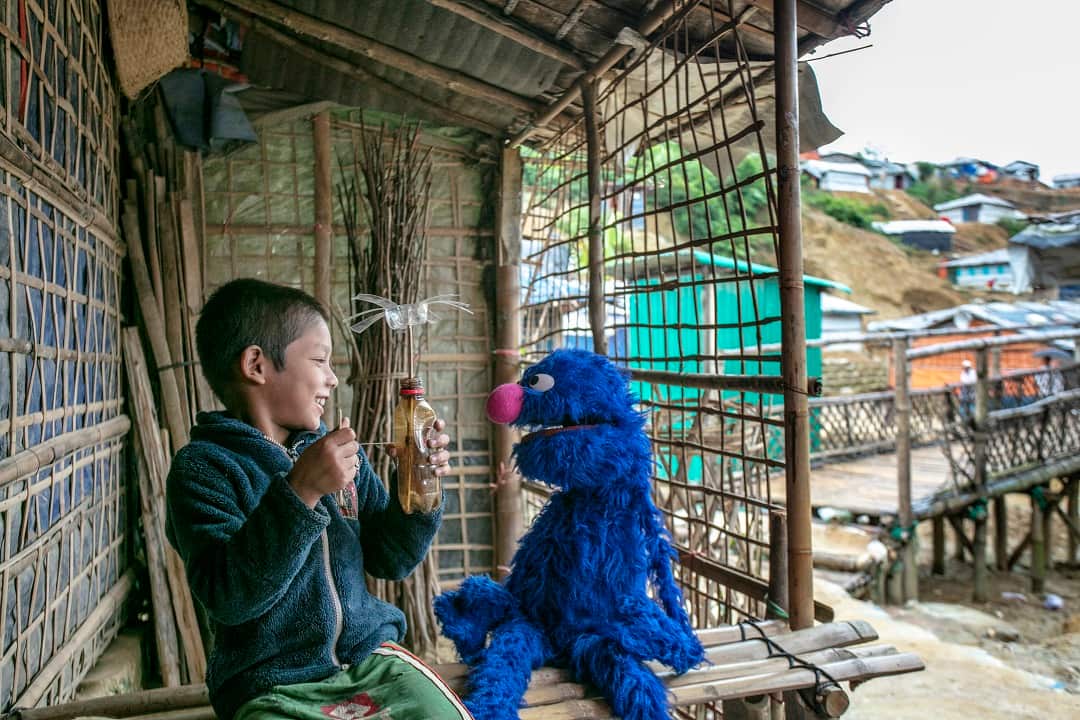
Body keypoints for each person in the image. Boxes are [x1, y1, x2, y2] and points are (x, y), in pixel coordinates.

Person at [165, 278, 471, 720]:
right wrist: (300, 492)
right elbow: (230, 598)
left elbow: (391, 559)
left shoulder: (334, 449)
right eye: (319, 360)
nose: (332, 377)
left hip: (372, 663)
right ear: (256, 364)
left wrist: (418, 488)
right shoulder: (204, 469)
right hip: (269, 686)